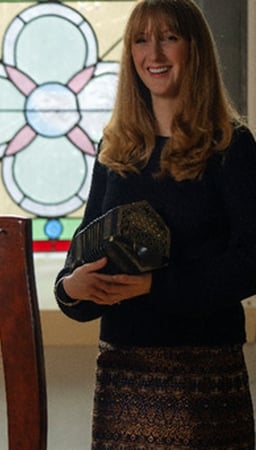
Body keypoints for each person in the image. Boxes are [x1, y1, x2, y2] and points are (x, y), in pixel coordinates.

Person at [54, 0, 256, 448]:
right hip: (123, 374)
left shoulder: (232, 146)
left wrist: (154, 287)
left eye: (169, 38)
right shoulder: (116, 149)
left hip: (205, 375)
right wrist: (70, 289)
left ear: (195, 49)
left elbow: (251, 261)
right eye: (141, 41)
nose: (155, 54)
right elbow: (79, 263)